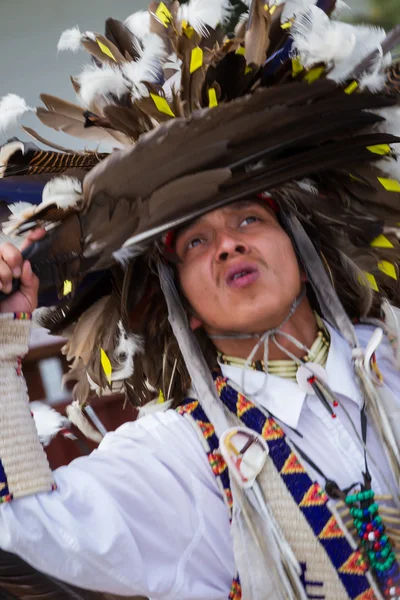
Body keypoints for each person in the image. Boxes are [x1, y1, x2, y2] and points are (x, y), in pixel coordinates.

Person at [0, 1, 399, 599]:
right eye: (195, 242)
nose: (228, 245)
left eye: (247, 218)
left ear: (298, 245)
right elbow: (24, 520)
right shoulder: (178, 456)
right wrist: (5, 343)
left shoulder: (391, 357)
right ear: (183, 303)